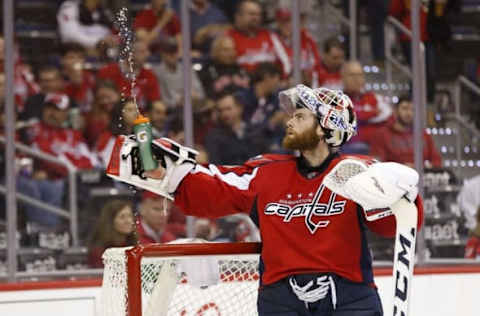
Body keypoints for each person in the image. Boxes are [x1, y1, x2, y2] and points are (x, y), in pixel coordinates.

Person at [108, 84, 424, 315]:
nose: (288, 121)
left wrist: (403, 196)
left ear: (326, 126)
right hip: (280, 299)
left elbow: (397, 226)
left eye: (300, 116)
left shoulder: (356, 173)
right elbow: (213, 188)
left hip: (349, 298)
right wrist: (168, 172)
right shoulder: (267, 173)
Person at [370, 95, 442, 169]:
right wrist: (403, 169)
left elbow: (437, 161)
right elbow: (377, 164)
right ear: (395, 111)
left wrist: (422, 167)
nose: (409, 113)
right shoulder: (381, 134)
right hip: (394, 177)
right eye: (405, 108)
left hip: (421, 176)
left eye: (412, 109)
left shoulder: (423, 134)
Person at [87, 199, 137, 268]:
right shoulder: (99, 251)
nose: (128, 221)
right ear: (110, 222)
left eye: (130, 216)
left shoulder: (134, 246)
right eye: (122, 217)